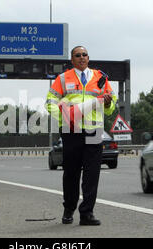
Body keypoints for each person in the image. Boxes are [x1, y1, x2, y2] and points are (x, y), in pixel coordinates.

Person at [45, 46, 117, 225]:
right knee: (71, 172)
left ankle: (87, 213)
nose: (82, 58)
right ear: (72, 59)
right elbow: (50, 103)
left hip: (94, 129)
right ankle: (69, 208)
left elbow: (111, 106)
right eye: (78, 55)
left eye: (84, 55)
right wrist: (64, 117)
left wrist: (108, 103)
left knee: (92, 173)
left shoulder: (101, 78)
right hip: (72, 130)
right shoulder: (63, 79)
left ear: (88, 57)